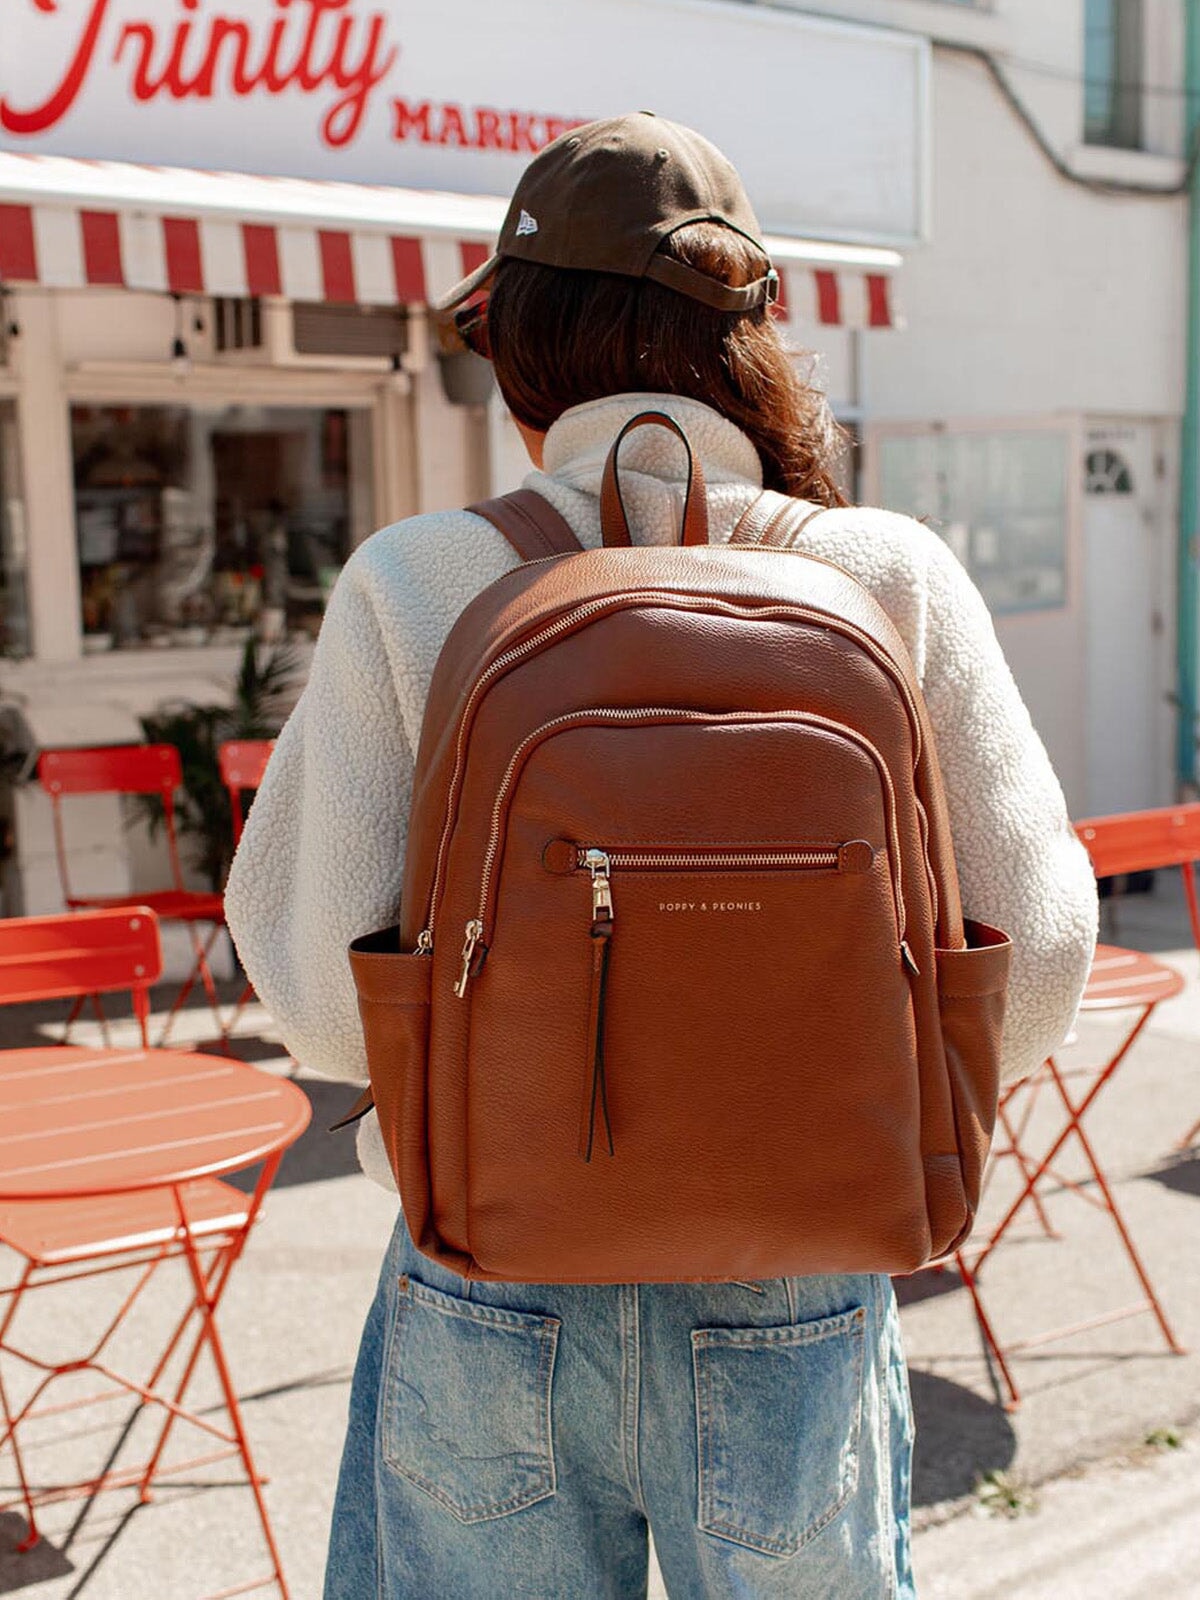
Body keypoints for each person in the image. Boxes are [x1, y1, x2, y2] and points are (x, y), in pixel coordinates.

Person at [224, 112, 1098, 1600]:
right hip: (804, 1265)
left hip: (487, 1263)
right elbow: (1040, 950)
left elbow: (313, 992)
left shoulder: (418, 580)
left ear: (517, 347)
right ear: (752, 334)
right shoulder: (884, 576)